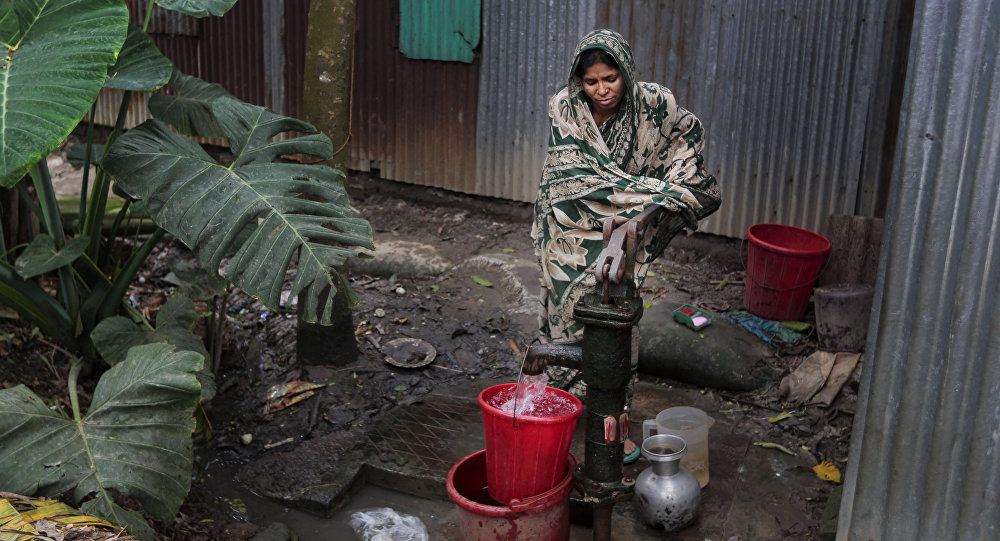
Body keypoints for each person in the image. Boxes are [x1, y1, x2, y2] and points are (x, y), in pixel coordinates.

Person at [531, 29, 721, 461]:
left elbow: (686, 136)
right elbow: (571, 179)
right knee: (564, 317)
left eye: (611, 79)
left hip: (621, 229)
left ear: (627, 74)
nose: (602, 90)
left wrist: (660, 191)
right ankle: (564, 407)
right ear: (579, 81)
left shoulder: (654, 104)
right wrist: (653, 191)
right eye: (591, 81)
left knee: (617, 314)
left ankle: (611, 417)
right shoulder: (564, 106)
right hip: (568, 228)